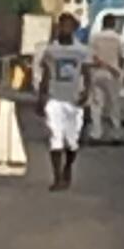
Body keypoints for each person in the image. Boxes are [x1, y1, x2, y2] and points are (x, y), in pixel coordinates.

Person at [37, 13, 92, 192]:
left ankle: (68, 167)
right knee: (55, 137)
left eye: (69, 26)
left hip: (74, 100)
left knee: (72, 141)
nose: (65, 29)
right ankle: (57, 177)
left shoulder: (81, 51)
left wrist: (87, 92)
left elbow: (87, 73)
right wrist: (41, 96)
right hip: (55, 98)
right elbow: (46, 74)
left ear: (74, 29)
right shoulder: (51, 50)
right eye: (62, 26)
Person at [88, 14, 124, 144]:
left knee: (96, 104)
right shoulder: (118, 39)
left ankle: (96, 133)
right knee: (114, 104)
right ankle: (116, 133)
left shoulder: (95, 38)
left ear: (103, 24)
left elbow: (92, 57)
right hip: (113, 74)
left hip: (97, 73)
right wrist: (120, 71)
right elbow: (122, 58)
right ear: (113, 24)